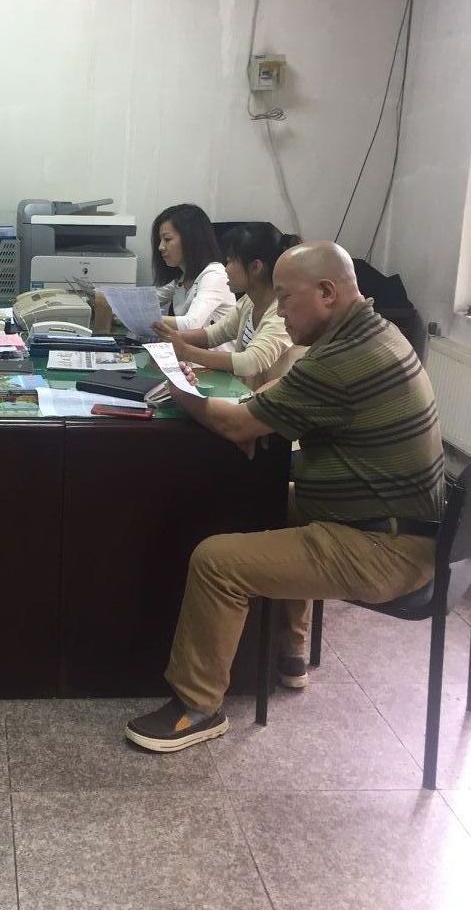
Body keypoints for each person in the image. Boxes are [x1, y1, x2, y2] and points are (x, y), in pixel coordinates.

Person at [125, 241, 444, 754]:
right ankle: (289, 652)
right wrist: (254, 420)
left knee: (216, 561)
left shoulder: (341, 359)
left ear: (327, 292)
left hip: (384, 547)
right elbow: (274, 407)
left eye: (285, 297)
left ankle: (197, 707)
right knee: (265, 504)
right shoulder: (374, 333)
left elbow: (237, 425)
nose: (278, 310)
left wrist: (180, 390)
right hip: (393, 525)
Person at [157, 222, 304, 390]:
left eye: (230, 261)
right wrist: (172, 337)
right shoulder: (249, 302)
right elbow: (214, 334)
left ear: (255, 267)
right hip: (246, 395)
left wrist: (186, 351)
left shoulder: (282, 313)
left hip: (270, 402)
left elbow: (250, 363)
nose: (225, 269)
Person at [95, 203, 234, 336]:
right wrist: (105, 300)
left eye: (167, 239)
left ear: (191, 240)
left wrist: (145, 318)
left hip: (209, 353)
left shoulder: (214, 276)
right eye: (160, 240)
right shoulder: (182, 279)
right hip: (188, 351)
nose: (160, 247)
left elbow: (190, 324)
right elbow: (146, 301)